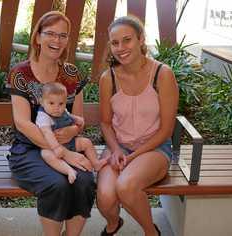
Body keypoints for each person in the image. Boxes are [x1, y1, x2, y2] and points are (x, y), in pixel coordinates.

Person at [6, 11, 96, 236]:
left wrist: (73, 130)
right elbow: (23, 123)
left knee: (84, 179)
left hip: (69, 144)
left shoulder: (71, 73)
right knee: (57, 184)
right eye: (51, 34)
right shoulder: (21, 74)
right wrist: (63, 153)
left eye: (63, 36)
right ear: (37, 37)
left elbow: (78, 120)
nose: (57, 40)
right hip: (30, 150)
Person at [97, 16, 179, 236]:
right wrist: (116, 150)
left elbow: (166, 131)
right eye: (115, 43)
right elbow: (105, 123)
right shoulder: (108, 78)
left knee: (126, 186)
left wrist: (132, 157)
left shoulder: (163, 74)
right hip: (119, 147)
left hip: (154, 148)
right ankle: (114, 224)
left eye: (127, 40)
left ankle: (151, 232)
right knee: (105, 198)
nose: (121, 48)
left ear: (141, 39)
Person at [36, 82, 108, 184]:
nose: (57, 107)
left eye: (61, 104)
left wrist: (76, 119)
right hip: (53, 147)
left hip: (70, 142)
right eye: (51, 103)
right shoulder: (43, 116)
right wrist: (56, 148)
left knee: (86, 142)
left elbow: (68, 116)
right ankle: (68, 170)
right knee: (46, 154)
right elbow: (46, 132)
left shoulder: (62, 110)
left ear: (65, 103)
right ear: (42, 102)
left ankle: (96, 163)